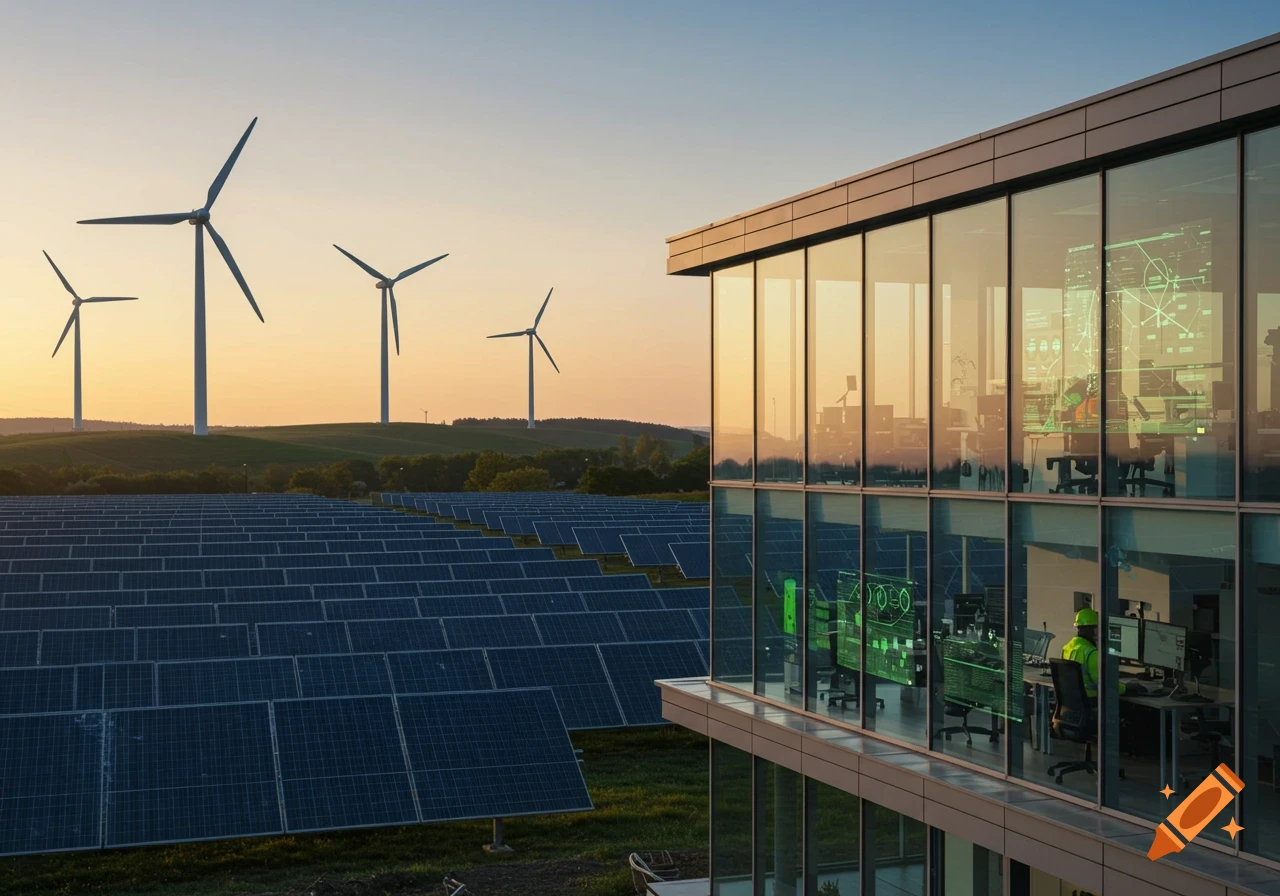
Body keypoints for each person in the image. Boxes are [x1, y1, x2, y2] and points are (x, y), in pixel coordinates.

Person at [1060, 608, 1126, 697]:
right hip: (1092, 701)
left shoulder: (1067, 648)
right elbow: (1106, 685)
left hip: (1072, 701)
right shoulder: (1091, 653)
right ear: (1092, 629)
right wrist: (1126, 688)